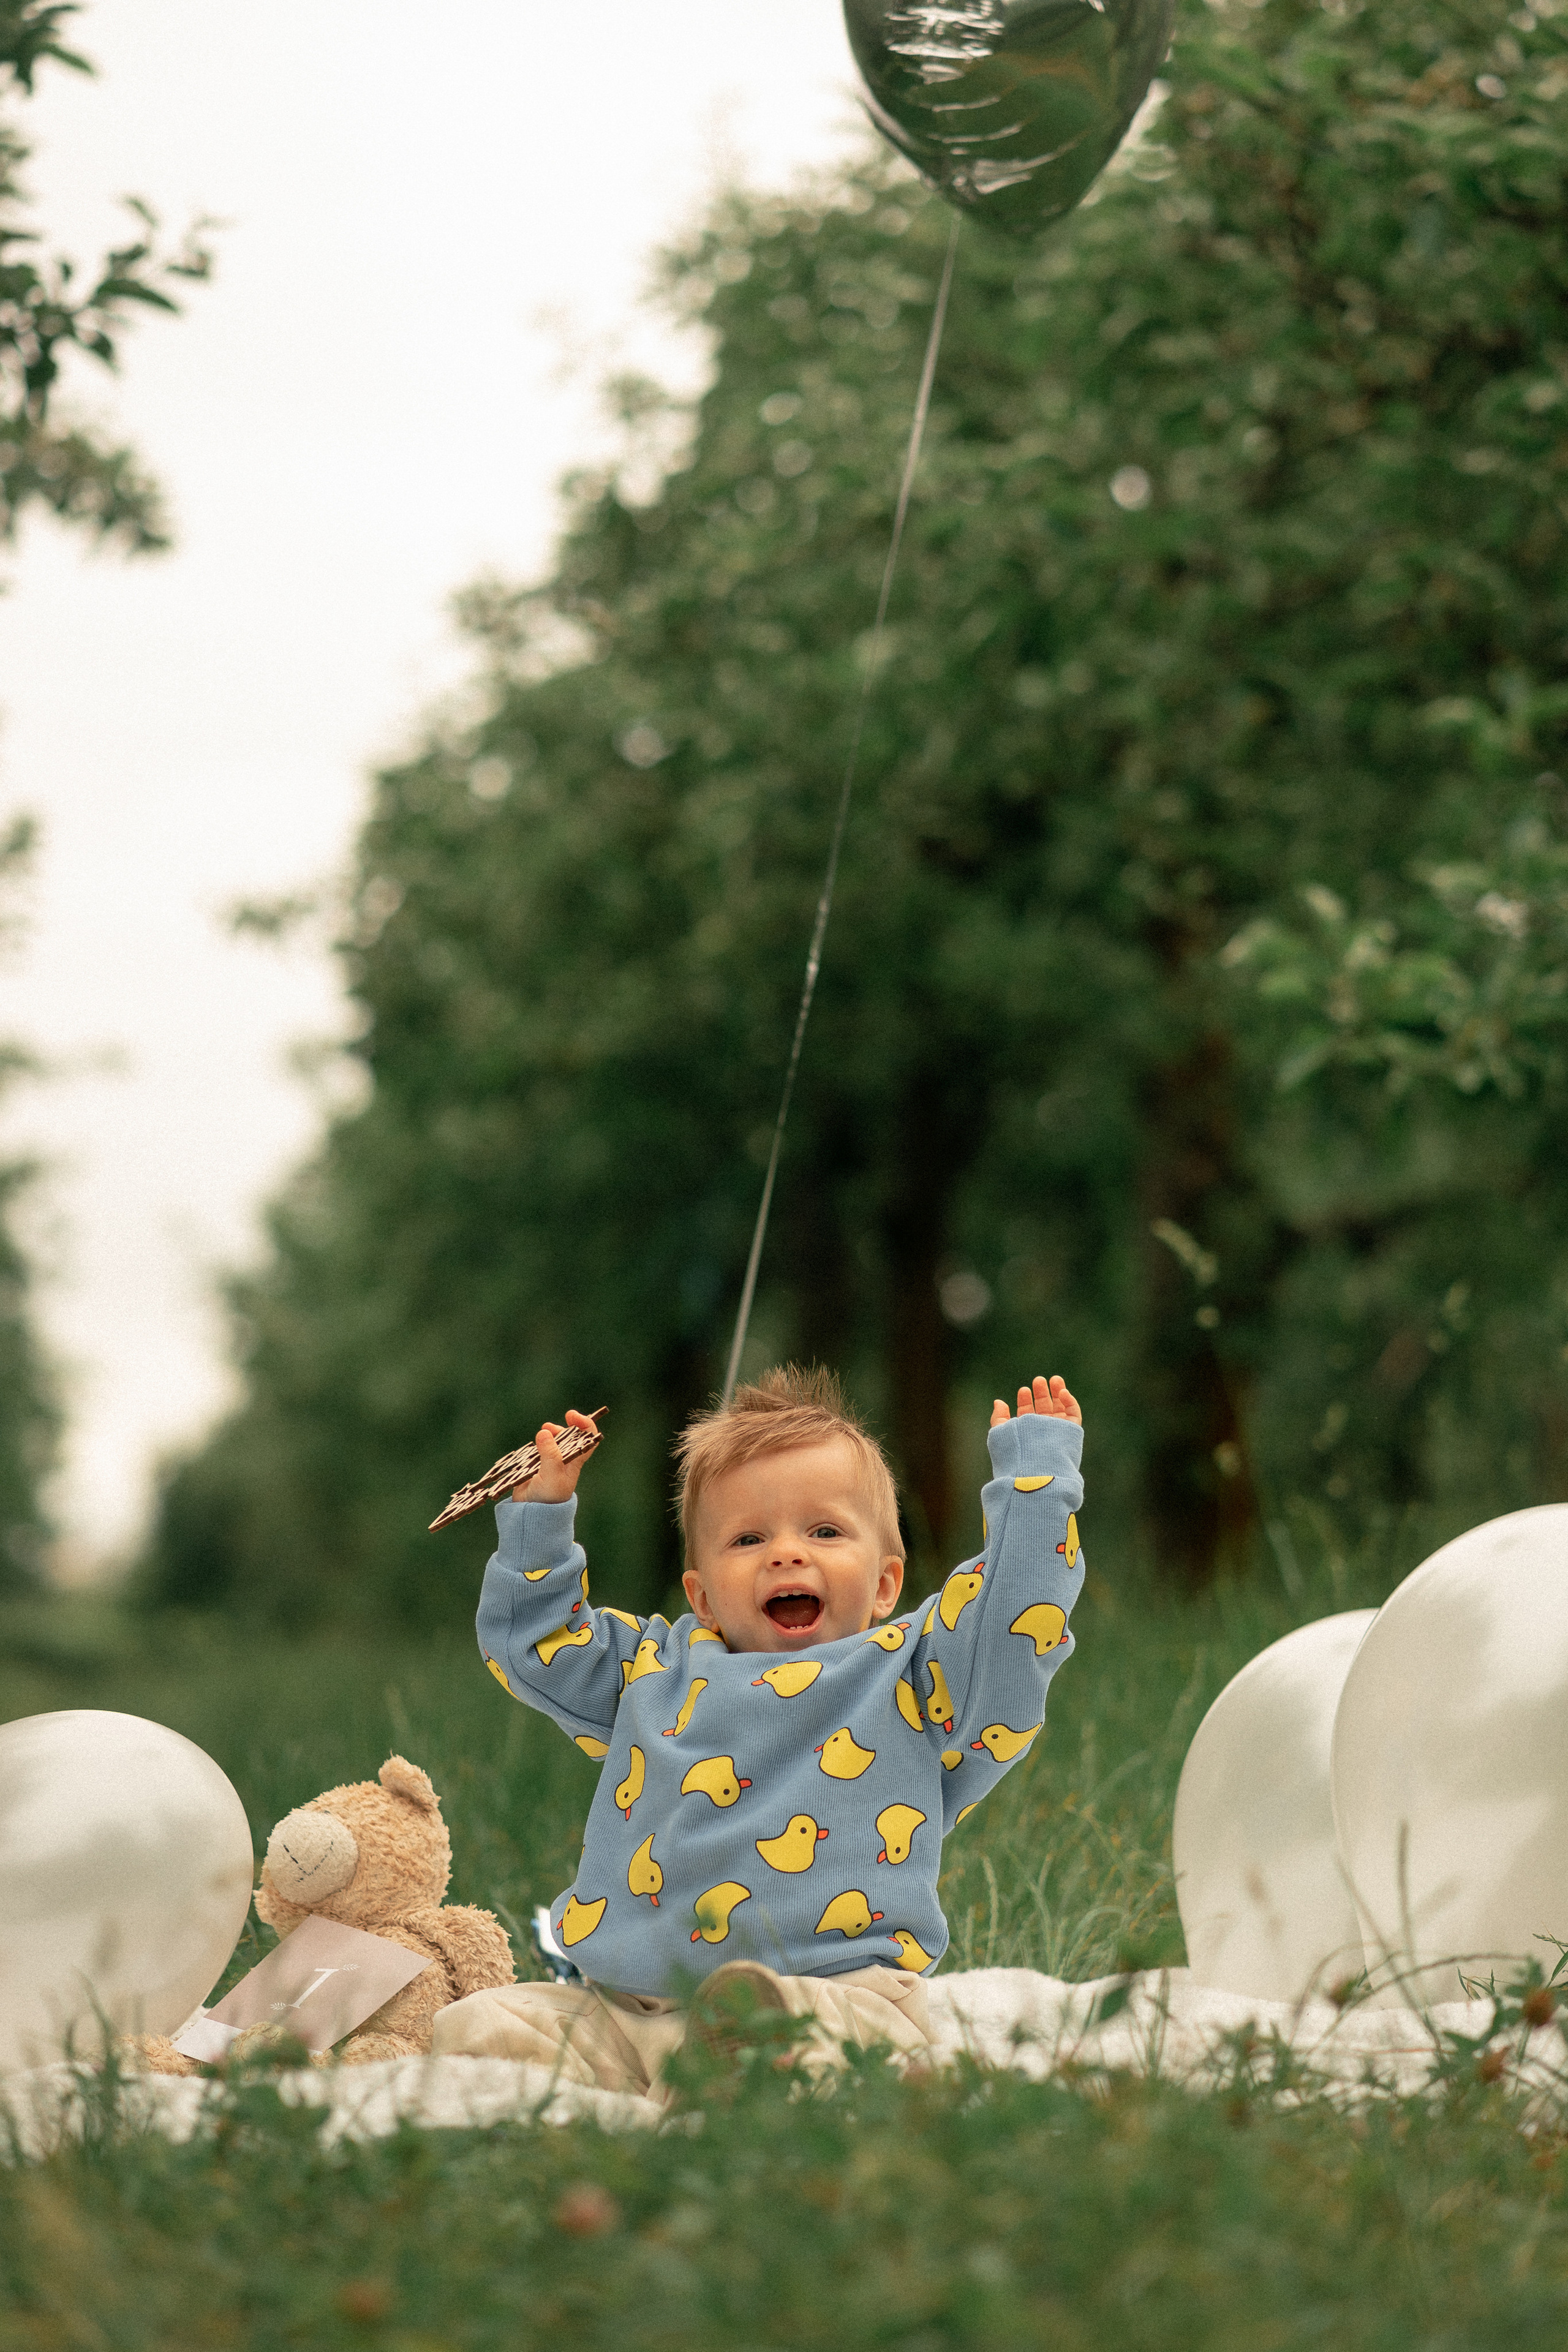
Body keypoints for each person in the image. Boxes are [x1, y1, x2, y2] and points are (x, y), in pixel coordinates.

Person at [432, 1363, 1084, 2095]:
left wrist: (1036, 1485)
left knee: (826, 2040)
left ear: (884, 1585)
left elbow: (1015, 1629)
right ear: (701, 1596)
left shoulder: (912, 1672)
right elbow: (535, 1643)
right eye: (746, 1538)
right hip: (630, 2012)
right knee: (481, 2025)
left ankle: (745, 2075)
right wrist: (539, 1516)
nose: (785, 1552)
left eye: (825, 1530)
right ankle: (660, 2085)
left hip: (837, 1994)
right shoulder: (655, 1669)